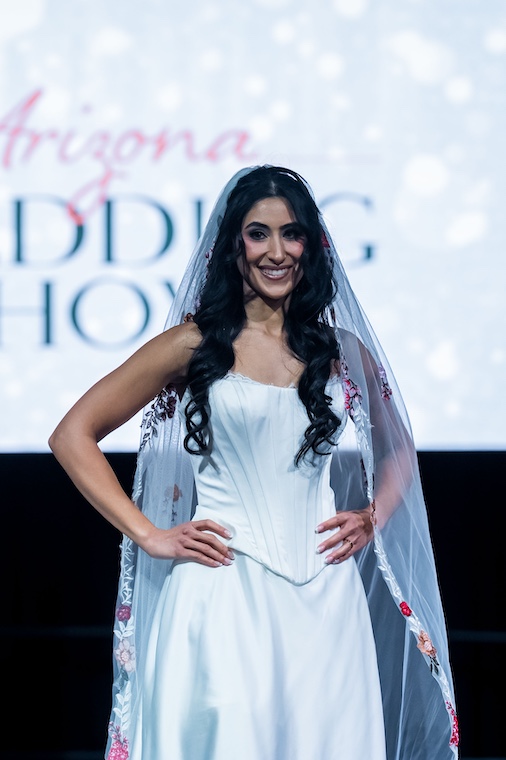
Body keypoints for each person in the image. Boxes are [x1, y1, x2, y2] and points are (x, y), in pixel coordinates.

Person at [49, 165, 459, 760]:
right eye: (258, 233)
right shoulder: (193, 344)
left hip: (327, 600)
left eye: (291, 234)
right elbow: (72, 435)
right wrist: (150, 535)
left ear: (310, 246)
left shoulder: (341, 351)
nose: (276, 251)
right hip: (223, 591)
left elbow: (399, 446)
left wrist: (373, 515)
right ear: (232, 245)